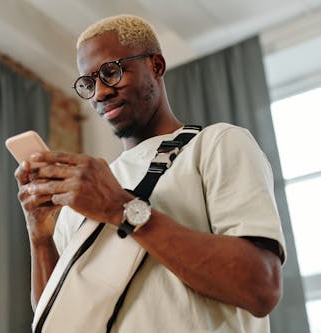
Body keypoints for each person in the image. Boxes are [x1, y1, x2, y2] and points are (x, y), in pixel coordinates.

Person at [15, 14, 286, 332]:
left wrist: (121, 209)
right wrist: (41, 239)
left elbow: (261, 287)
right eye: (88, 83)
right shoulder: (84, 192)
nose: (100, 92)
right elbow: (57, 314)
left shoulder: (216, 144)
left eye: (111, 72)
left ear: (156, 66)